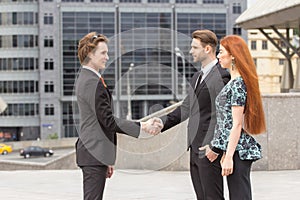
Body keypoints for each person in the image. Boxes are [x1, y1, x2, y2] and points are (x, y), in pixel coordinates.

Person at [75, 32, 162, 200]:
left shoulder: (89, 78)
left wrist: (107, 158)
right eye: (103, 53)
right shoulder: (91, 82)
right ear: (90, 54)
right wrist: (143, 125)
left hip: (96, 153)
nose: (107, 57)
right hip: (93, 153)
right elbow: (107, 120)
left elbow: (99, 121)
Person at [154, 30, 230, 199]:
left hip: (209, 150)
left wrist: (215, 147)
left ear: (208, 49)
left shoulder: (222, 75)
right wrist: (162, 122)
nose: (190, 51)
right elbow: (187, 107)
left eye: (195, 47)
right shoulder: (197, 77)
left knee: (213, 197)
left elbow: (225, 116)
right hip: (194, 148)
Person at [207, 35, 266, 200]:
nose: (218, 56)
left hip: (239, 151)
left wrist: (229, 157)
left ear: (233, 55)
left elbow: (236, 123)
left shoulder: (238, 83)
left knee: (240, 196)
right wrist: (226, 152)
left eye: (221, 52)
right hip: (235, 149)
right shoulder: (234, 82)